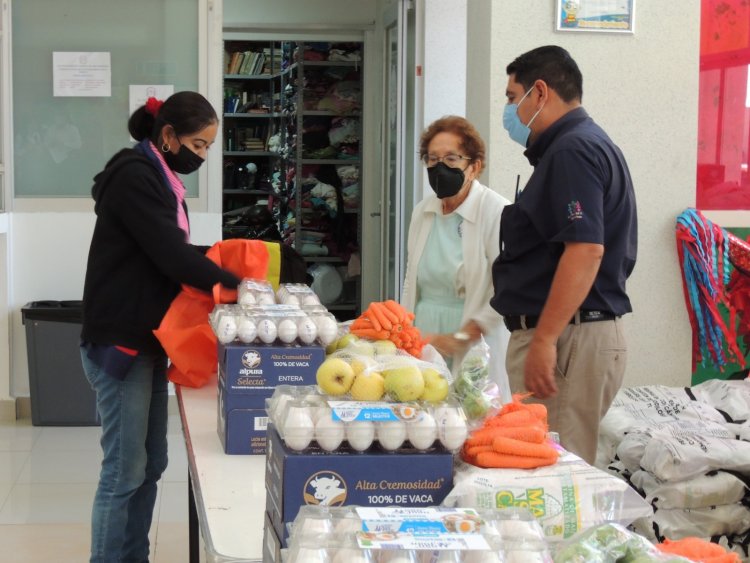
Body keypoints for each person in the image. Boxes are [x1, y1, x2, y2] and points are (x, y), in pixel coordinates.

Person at [79, 91, 241, 563]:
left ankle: (134, 557)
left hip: (148, 340)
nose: (203, 156)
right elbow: (169, 255)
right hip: (121, 340)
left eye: (208, 147)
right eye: (198, 144)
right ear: (168, 135)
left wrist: (222, 265)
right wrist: (235, 285)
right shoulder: (135, 177)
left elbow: (170, 248)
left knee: (152, 464)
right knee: (124, 471)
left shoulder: (159, 177)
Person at [491, 45, 638, 464]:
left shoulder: (573, 151)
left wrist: (545, 339)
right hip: (571, 335)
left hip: (571, 337)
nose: (509, 109)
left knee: (558, 476)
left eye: (511, 96)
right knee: (546, 469)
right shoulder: (577, 146)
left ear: (539, 92)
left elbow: (586, 249)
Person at [402, 116, 511, 397]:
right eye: (432, 159)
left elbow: (507, 291)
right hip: (427, 336)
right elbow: (411, 278)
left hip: (475, 342)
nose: (440, 168)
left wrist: (461, 338)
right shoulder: (423, 212)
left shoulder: (496, 212)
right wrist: (405, 332)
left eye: (451, 159)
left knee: (472, 418)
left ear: (473, 167)